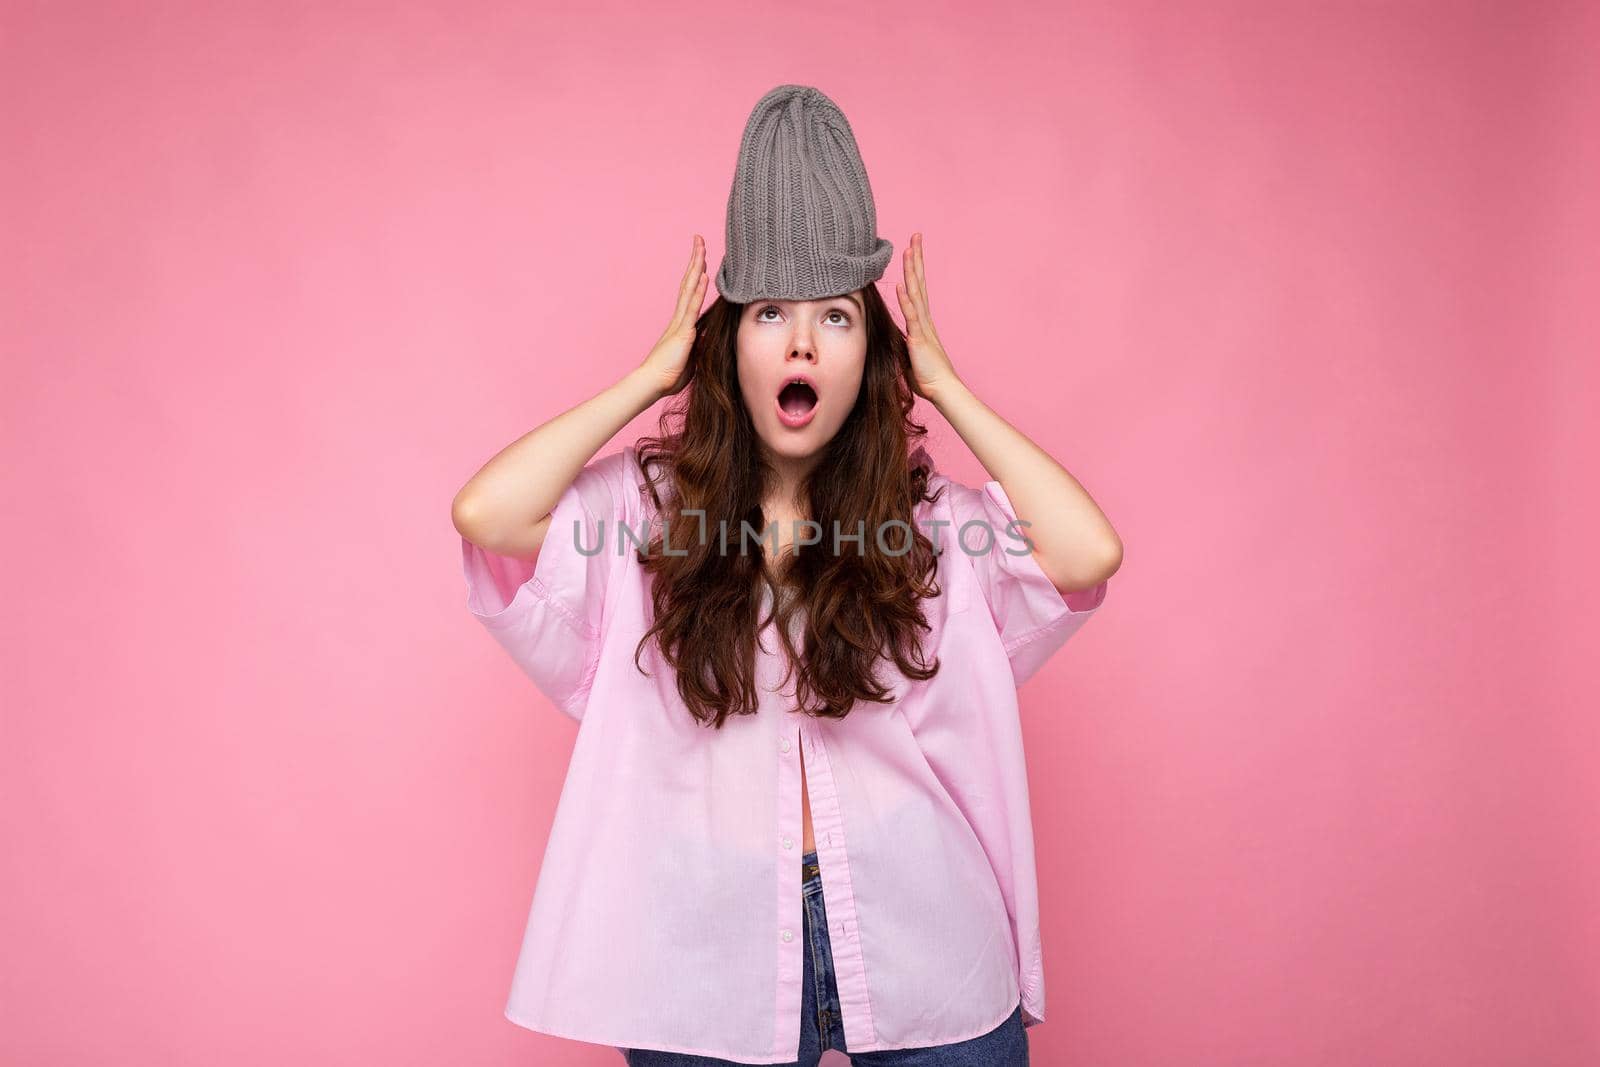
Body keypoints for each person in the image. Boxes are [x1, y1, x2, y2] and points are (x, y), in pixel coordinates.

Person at [451, 84, 1122, 1066]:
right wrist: (648, 376)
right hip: (706, 954)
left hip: (924, 937)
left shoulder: (929, 525)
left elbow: (1084, 552)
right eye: (768, 311)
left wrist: (944, 383)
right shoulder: (645, 512)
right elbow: (488, 513)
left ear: (869, 351)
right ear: (729, 341)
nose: (801, 342)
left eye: (836, 317)